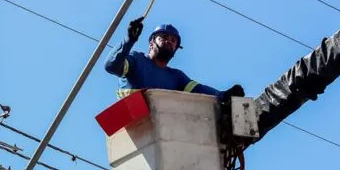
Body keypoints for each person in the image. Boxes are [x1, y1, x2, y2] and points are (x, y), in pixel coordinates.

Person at [104, 17, 244, 101]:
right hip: (134, 128)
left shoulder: (176, 77)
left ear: (176, 49)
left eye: (173, 40)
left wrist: (223, 96)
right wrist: (129, 40)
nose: (169, 41)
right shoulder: (136, 59)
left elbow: (200, 90)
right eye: (163, 37)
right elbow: (111, 66)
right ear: (151, 43)